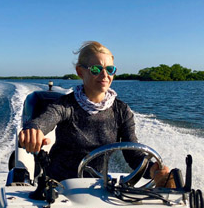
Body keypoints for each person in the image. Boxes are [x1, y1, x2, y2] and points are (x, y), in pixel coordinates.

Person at [19, 41, 174, 188]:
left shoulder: (121, 111)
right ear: (80, 72)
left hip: (97, 187)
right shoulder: (66, 105)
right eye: (96, 69)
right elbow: (46, 118)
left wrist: (155, 172)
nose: (105, 75)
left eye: (110, 69)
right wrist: (34, 129)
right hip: (59, 186)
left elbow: (133, 155)